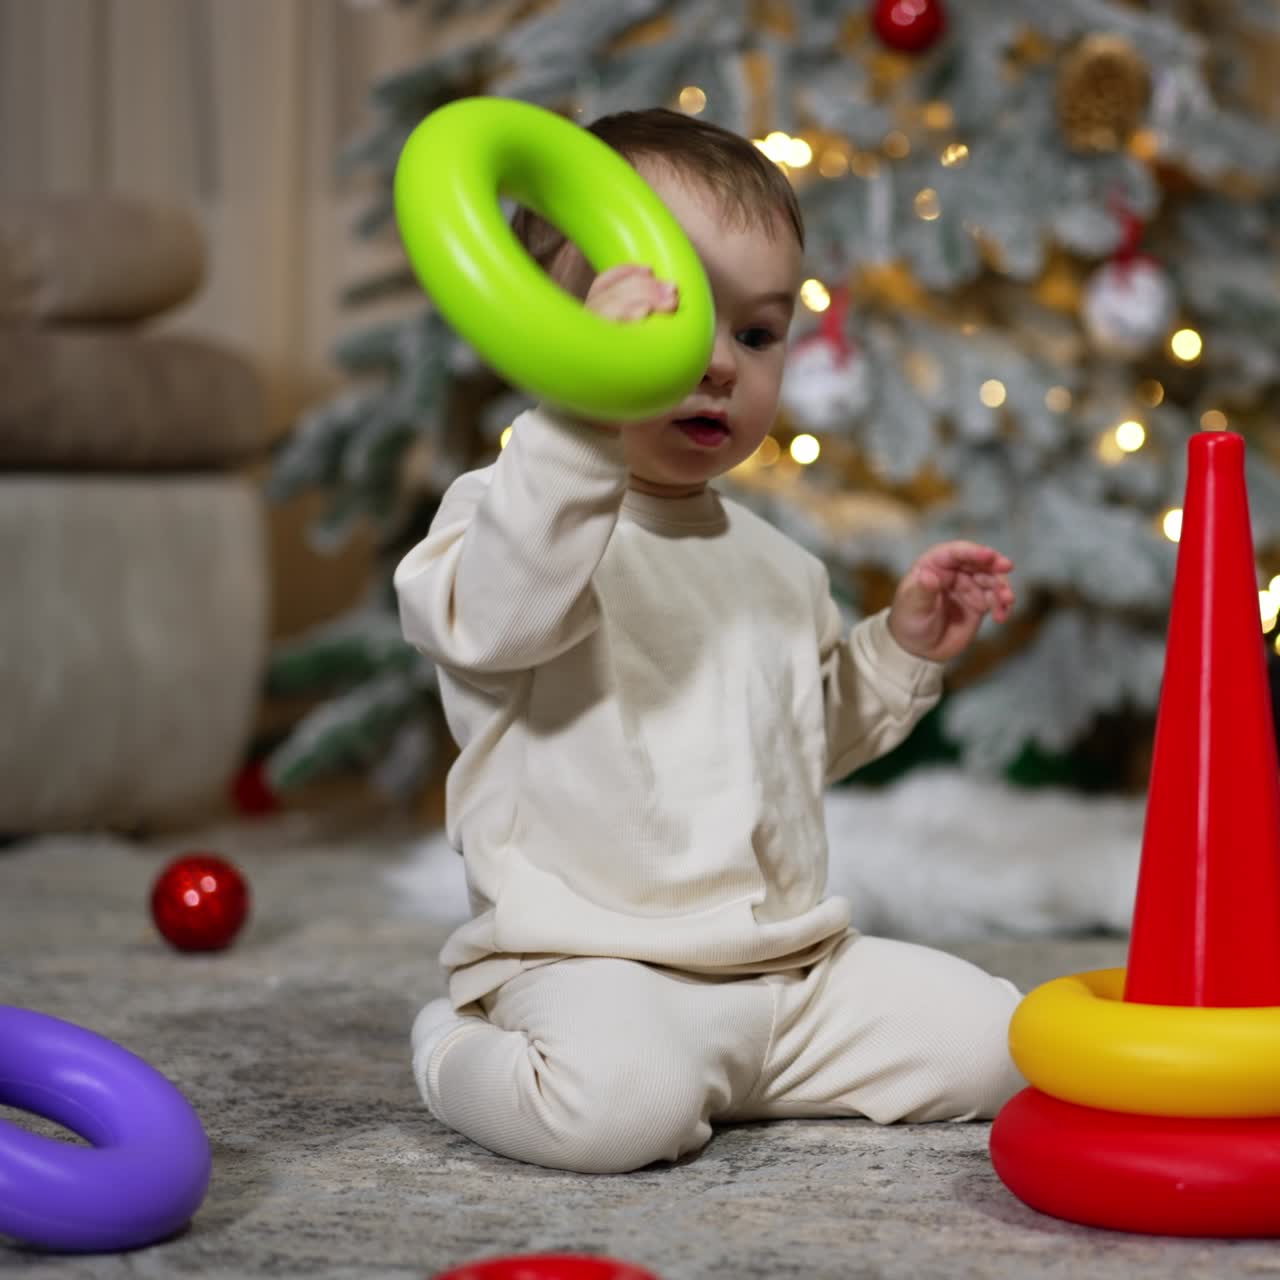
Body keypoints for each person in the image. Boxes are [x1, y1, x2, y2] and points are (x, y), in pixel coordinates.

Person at [394, 107, 1023, 1174]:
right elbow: (496, 619)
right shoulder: (508, 510)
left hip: (790, 973)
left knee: (1001, 1046)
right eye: (670, 315)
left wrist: (901, 647)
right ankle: (453, 1042)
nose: (717, 362)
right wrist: (587, 410)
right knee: (618, 1112)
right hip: (590, 960)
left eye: (757, 332)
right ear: (557, 322)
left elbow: (799, 740)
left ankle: (732, 1073)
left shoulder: (775, 565)